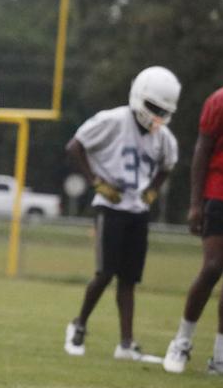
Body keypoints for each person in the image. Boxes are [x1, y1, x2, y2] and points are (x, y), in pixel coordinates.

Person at [63, 66, 180, 361]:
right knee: (105, 273)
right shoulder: (113, 121)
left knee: (129, 279)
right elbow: (75, 146)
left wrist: (153, 190)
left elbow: (168, 164)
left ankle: (126, 344)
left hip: (137, 209)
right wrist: (95, 182)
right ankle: (78, 326)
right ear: (139, 96)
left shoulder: (163, 137)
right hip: (110, 206)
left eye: (162, 111)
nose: (156, 115)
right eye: (153, 107)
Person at [162, 84, 223, 375]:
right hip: (220, 191)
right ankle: (182, 341)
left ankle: (222, 357)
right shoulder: (222, 100)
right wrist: (195, 203)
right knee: (213, 267)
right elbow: (203, 149)